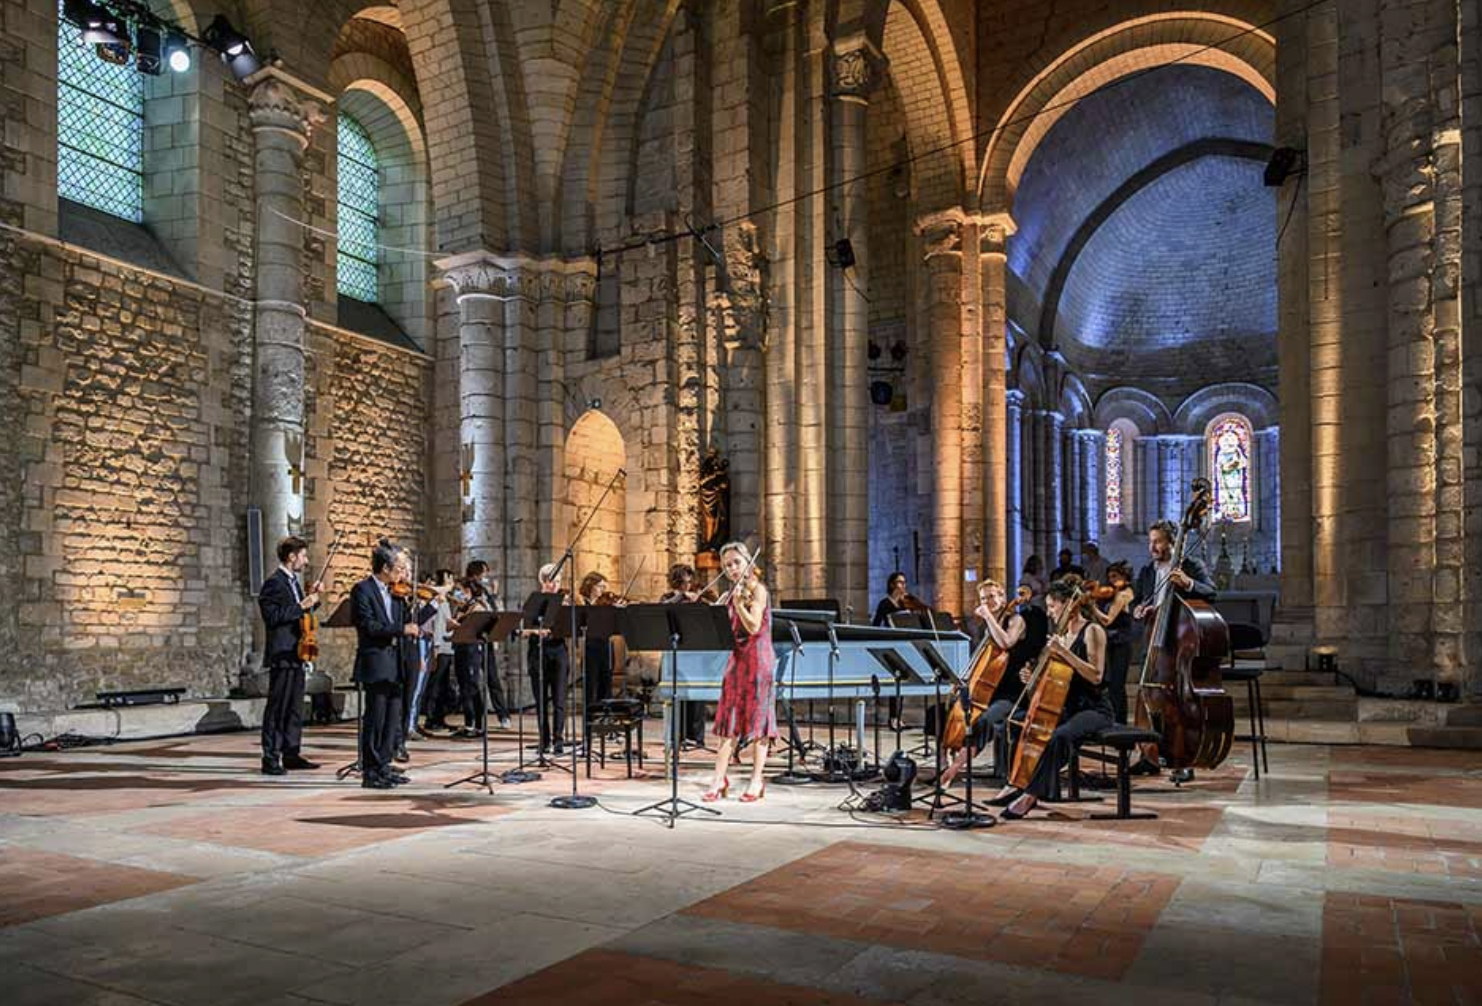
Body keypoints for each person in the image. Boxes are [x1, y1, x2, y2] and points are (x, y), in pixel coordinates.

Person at [997, 578, 1112, 820]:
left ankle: (1031, 795)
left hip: (1093, 708)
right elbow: (1056, 681)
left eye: (1052, 606)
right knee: (1017, 723)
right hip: (1066, 706)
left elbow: (1097, 676)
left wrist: (1064, 653)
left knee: (1059, 736)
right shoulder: (1060, 636)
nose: (1049, 613)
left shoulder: (1092, 630)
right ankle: (1016, 782)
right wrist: (1031, 678)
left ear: (1069, 605)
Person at [1130, 519, 1218, 779]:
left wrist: (1189, 583)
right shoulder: (1147, 572)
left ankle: (1184, 759)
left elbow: (1211, 592)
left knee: (1179, 702)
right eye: (1150, 542)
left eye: (1157, 541)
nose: (1152, 547)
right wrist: (1137, 609)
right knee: (1147, 698)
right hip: (1154, 644)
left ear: (1172, 542)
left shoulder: (1190, 566)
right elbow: (1139, 600)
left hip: (1178, 645)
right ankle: (1148, 756)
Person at [939, 580, 1046, 786]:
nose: (988, 601)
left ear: (1002, 597)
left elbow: (1006, 642)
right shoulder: (988, 626)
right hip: (989, 691)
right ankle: (945, 759)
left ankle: (954, 770)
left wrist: (988, 616)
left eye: (992, 596)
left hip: (1012, 694)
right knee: (944, 708)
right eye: (983, 599)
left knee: (984, 721)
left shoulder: (1017, 620)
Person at [703, 542, 776, 803]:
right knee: (728, 722)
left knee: (759, 722)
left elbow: (754, 626)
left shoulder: (759, 591)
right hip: (737, 661)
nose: (732, 569)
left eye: (736, 562)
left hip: (758, 660)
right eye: (727, 566)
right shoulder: (731, 593)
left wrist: (738, 604)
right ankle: (718, 778)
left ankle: (757, 779)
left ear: (747, 562)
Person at [351, 540, 419, 789]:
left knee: (392, 719)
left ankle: (384, 764)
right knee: (376, 718)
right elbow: (368, 626)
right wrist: (401, 629)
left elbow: (410, 623)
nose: (402, 573)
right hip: (376, 662)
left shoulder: (397, 593)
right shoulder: (362, 590)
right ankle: (370, 770)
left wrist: (429, 606)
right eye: (398, 568)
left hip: (397, 662)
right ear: (385, 568)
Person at [257, 535, 322, 776]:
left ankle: (291, 753)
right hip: (283, 652)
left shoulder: (294, 582)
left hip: (298, 652)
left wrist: (315, 601)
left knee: (295, 706)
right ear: (291, 556)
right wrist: (302, 605)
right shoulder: (274, 583)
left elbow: (302, 616)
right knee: (278, 706)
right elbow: (273, 616)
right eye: (303, 556)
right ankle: (271, 756)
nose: (305, 561)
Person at [453, 560, 510, 737]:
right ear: (475, 574)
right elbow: (459, 611)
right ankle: (472, 722)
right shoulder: (462, 592)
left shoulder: (483, 594)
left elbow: (495, 611)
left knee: (491, 678)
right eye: (484, 573)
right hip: (467, 643)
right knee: (470, 682)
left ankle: (501, 715)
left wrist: (493, 595)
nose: (486, 577)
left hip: (482, 642)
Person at [661, 563, 710, 746]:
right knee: (677, 694)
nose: (688, 586)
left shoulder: (697, 598)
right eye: (684, 582)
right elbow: (662, 609)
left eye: (689, 582)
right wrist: (680, 597)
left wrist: (699, 603)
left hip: (696, 651)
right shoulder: (667, 598)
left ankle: (696, 737)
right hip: (676, 651)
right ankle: (677, 736)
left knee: (696, 696)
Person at [527, 562, 570, 754]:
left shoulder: (564, 602)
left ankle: (558, 740)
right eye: (553, 581)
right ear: (544, 581)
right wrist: (535, 631)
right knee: (541, 699)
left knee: (560, 699)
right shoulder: (534, 601)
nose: (557, 585)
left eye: (559, 581)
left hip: (559, 650)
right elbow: (523, 628)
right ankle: (544, 740)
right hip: (538, 651)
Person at [1088, 561, 1135, 723]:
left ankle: (1116, 722)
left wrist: (1092, 607)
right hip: (1113, 643)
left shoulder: (1123, 595)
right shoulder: (1115, 594)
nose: (1111, 581)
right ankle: (1117, 721)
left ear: (1125, 577)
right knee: (1114, 686)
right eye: (1109, 577)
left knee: (1116, 685)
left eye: (1115, 577)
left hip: (1121, 643)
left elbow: (1107, 620)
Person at [872, 571, 912, 729]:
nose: (903, 586)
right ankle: (892, 719)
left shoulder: (904, 603)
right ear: (892, 585)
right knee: (894, 682)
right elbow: (876, 624)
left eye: (904, 582)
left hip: (904, 645)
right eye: (900, 582)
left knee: (902, 683)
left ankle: (899, 718)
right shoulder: (885, 603)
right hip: (890, 645)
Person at [421, 569, 459, 732]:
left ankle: (440, 717)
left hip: (447, 646)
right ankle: (431, 717)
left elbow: (445, 622)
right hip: (440, 647)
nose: (452, 582)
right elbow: (437, 624)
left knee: (443, 686)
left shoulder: (446, 601)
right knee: (435, 685)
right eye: (449, 579)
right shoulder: (438, 600)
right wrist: (435, 647)